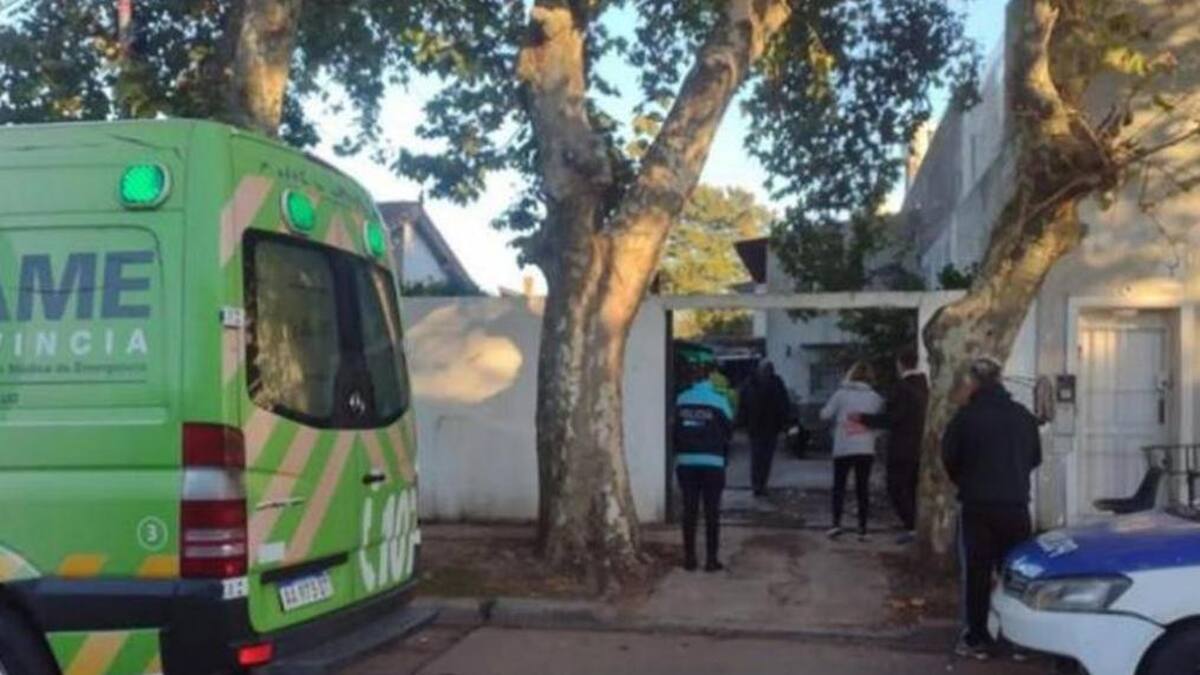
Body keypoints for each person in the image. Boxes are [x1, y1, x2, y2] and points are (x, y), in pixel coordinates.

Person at [942, 357, 1042, 661]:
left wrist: (968, 480)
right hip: (1015, 504)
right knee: (1017, 574)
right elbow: (1035, 458)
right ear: (1000, 380)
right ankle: (1020, 640)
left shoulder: (964, 418)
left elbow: (949, 458)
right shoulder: (1023, 416)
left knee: (977, 573)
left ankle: (977, 638)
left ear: (972, 382)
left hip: (977, 505)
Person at [855, 347, 929, 544]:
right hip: (921, 447)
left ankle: (912, 526)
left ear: (900, 364)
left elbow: (892, 418)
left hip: (902, 447)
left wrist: (863, 418)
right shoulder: (925, 386)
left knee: (896, 487)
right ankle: (915, 525)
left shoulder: (902, 388)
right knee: (912, 488)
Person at [673, 357, 734, 572]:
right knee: (711, 512)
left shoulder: (681, 400)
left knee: (689, 511)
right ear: (709, 378)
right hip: (713, 463)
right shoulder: (719, 400)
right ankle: (711, 560)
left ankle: (689, 559)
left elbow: (674, 430)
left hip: (686, 462)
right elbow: (729, 430)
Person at [820, 361, 884, 541]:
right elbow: (880, 422)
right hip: (865, 447)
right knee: (862, 488)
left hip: (843, 446)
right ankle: (862, 529)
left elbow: (825, 414)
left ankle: (836, 524)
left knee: (839, 486)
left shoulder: (841, 394)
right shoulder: (875, 398)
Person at [738, 361, 791, 496]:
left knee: (763, 459)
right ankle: (758, 485)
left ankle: (760, 485)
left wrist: (784, 422)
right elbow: (742, 405)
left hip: (768, 427)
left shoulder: (770, 383)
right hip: (759, 427)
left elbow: (784, 404)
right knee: (759, 458)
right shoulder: (752, 383)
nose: (767, 372)